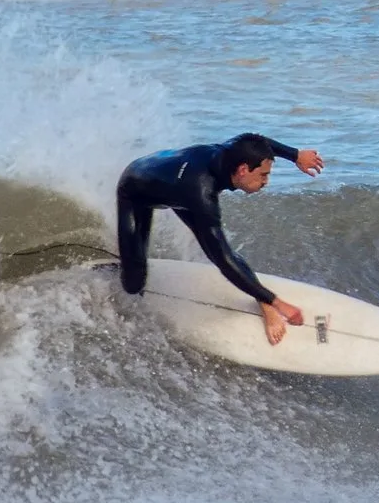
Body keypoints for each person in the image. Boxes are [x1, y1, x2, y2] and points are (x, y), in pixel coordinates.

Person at [114, 132, 326, 344]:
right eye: (263, 175)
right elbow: (223, 261)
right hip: (136, 189)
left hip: (173, 177)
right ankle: (122, 268)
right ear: (243, 170)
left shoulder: (234, 151)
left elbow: (257, 142)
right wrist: (280, 303)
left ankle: (264, 303)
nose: (266, 182)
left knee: (222, 250)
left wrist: (296, 155)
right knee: (134, 282)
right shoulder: (202, 196)